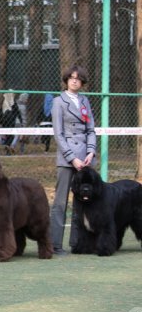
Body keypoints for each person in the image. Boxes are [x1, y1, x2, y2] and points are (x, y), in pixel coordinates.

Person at [49, 65, 96, 256]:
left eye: (78, 78)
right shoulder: (58, 102)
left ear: (82, 82)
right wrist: (72, 158)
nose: (74, 81)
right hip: (67, 159)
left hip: (85, 159)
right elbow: (58, 134)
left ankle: (77, 244)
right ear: (66, 80)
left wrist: (91, 152)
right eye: (71, 78)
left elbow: (91, 129)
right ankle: (55, 244)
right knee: (60, 202)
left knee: (82, 202)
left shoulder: (85, 101)